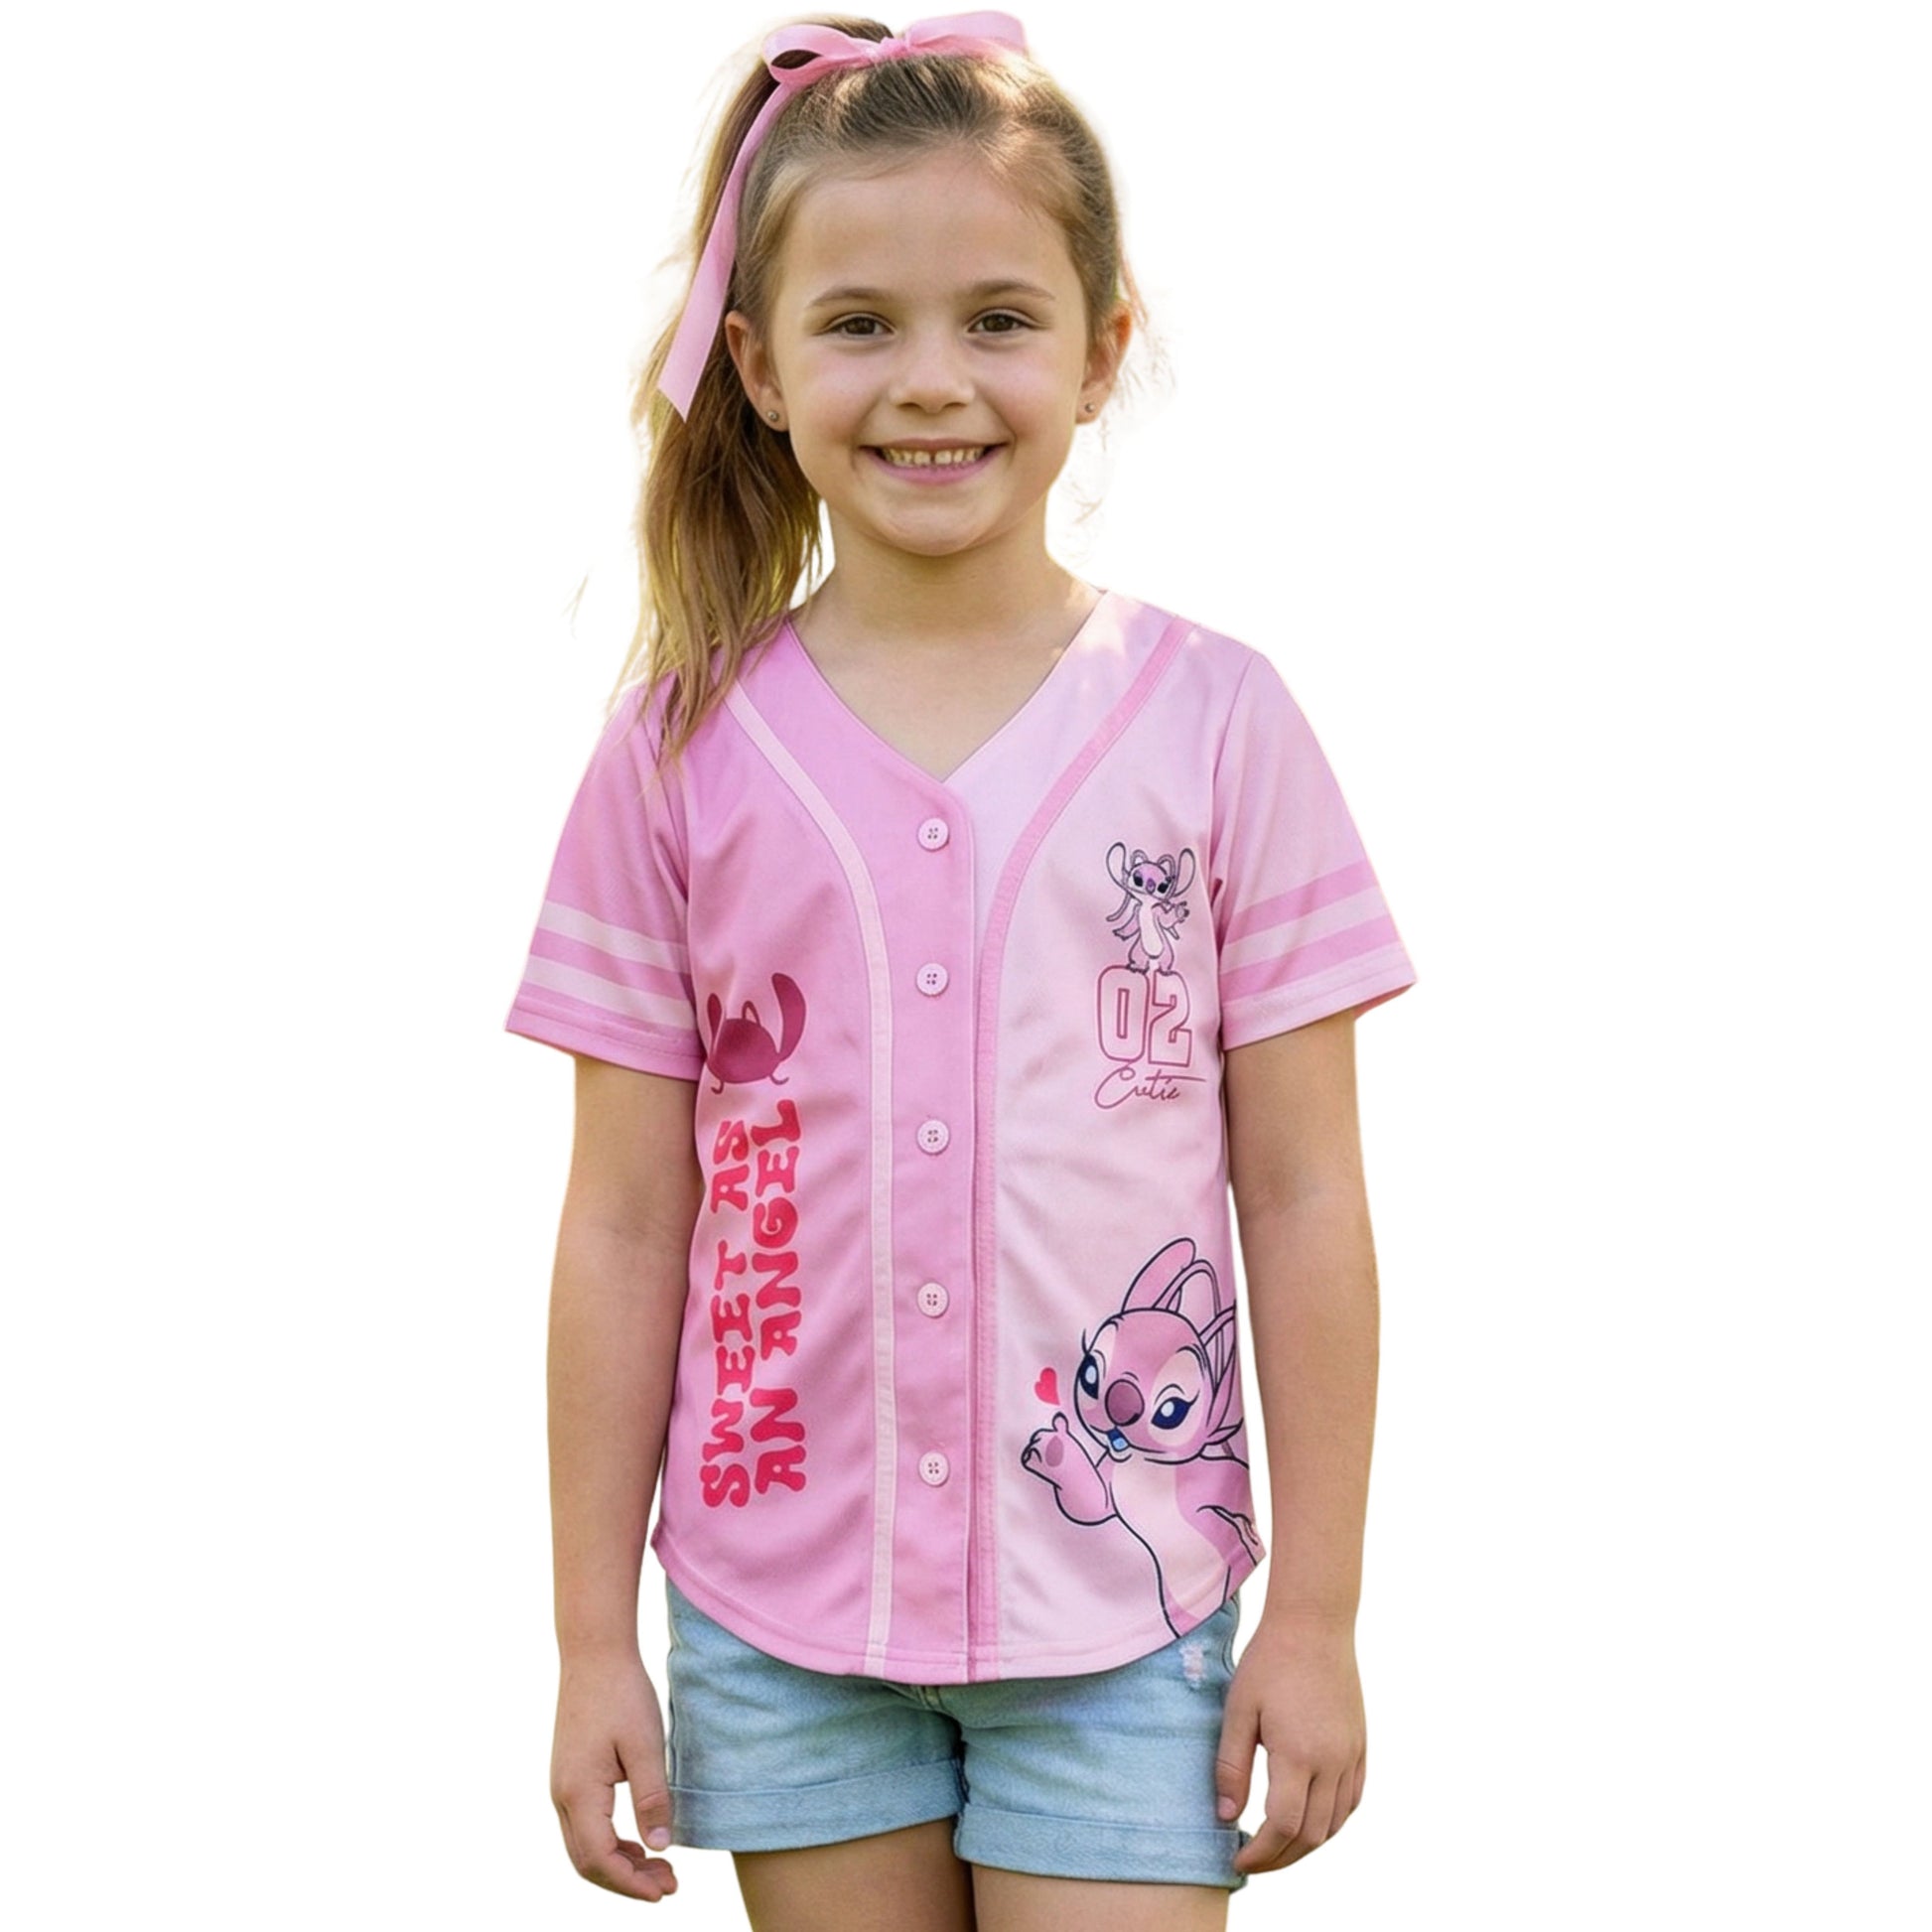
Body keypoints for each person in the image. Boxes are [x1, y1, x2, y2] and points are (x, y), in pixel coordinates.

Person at [506, 14, 1416, 1930]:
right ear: (756, 365)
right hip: (779, 1611)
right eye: (860, 323)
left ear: (1101, 345)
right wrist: (592, 1637)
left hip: (1129, 1621)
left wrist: (1319, 1610)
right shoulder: (673, 754)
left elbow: (1303, 1192)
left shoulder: (1220, 726)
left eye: (998, 317)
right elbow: (623, 1220)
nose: (932, 380)